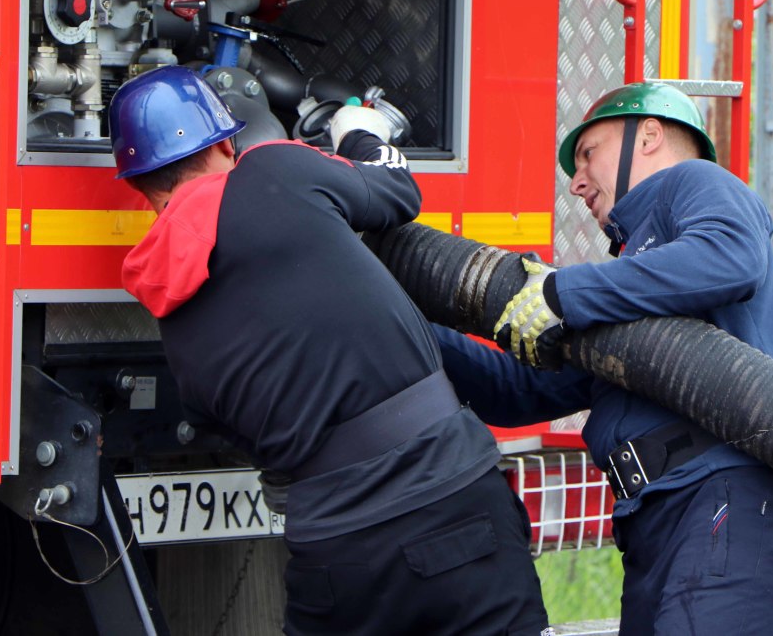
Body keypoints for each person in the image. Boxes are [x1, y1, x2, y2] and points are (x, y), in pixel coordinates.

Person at [111, 67, 551, 636]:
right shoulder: (273, 169)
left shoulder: (173, 328)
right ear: (224, 141)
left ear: (138, 187)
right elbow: (397, 192)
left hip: (334, 558)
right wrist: (358, 132)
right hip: (450, 507)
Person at [437, 81, 773, 634]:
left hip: (729, 498)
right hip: (658, 519)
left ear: (651, 137)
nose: (577, 181)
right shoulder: (630, 286)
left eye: (589, 152)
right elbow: (516, 388)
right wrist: (398, 322)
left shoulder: (696, 183)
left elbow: (730, 256)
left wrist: (561, 294)